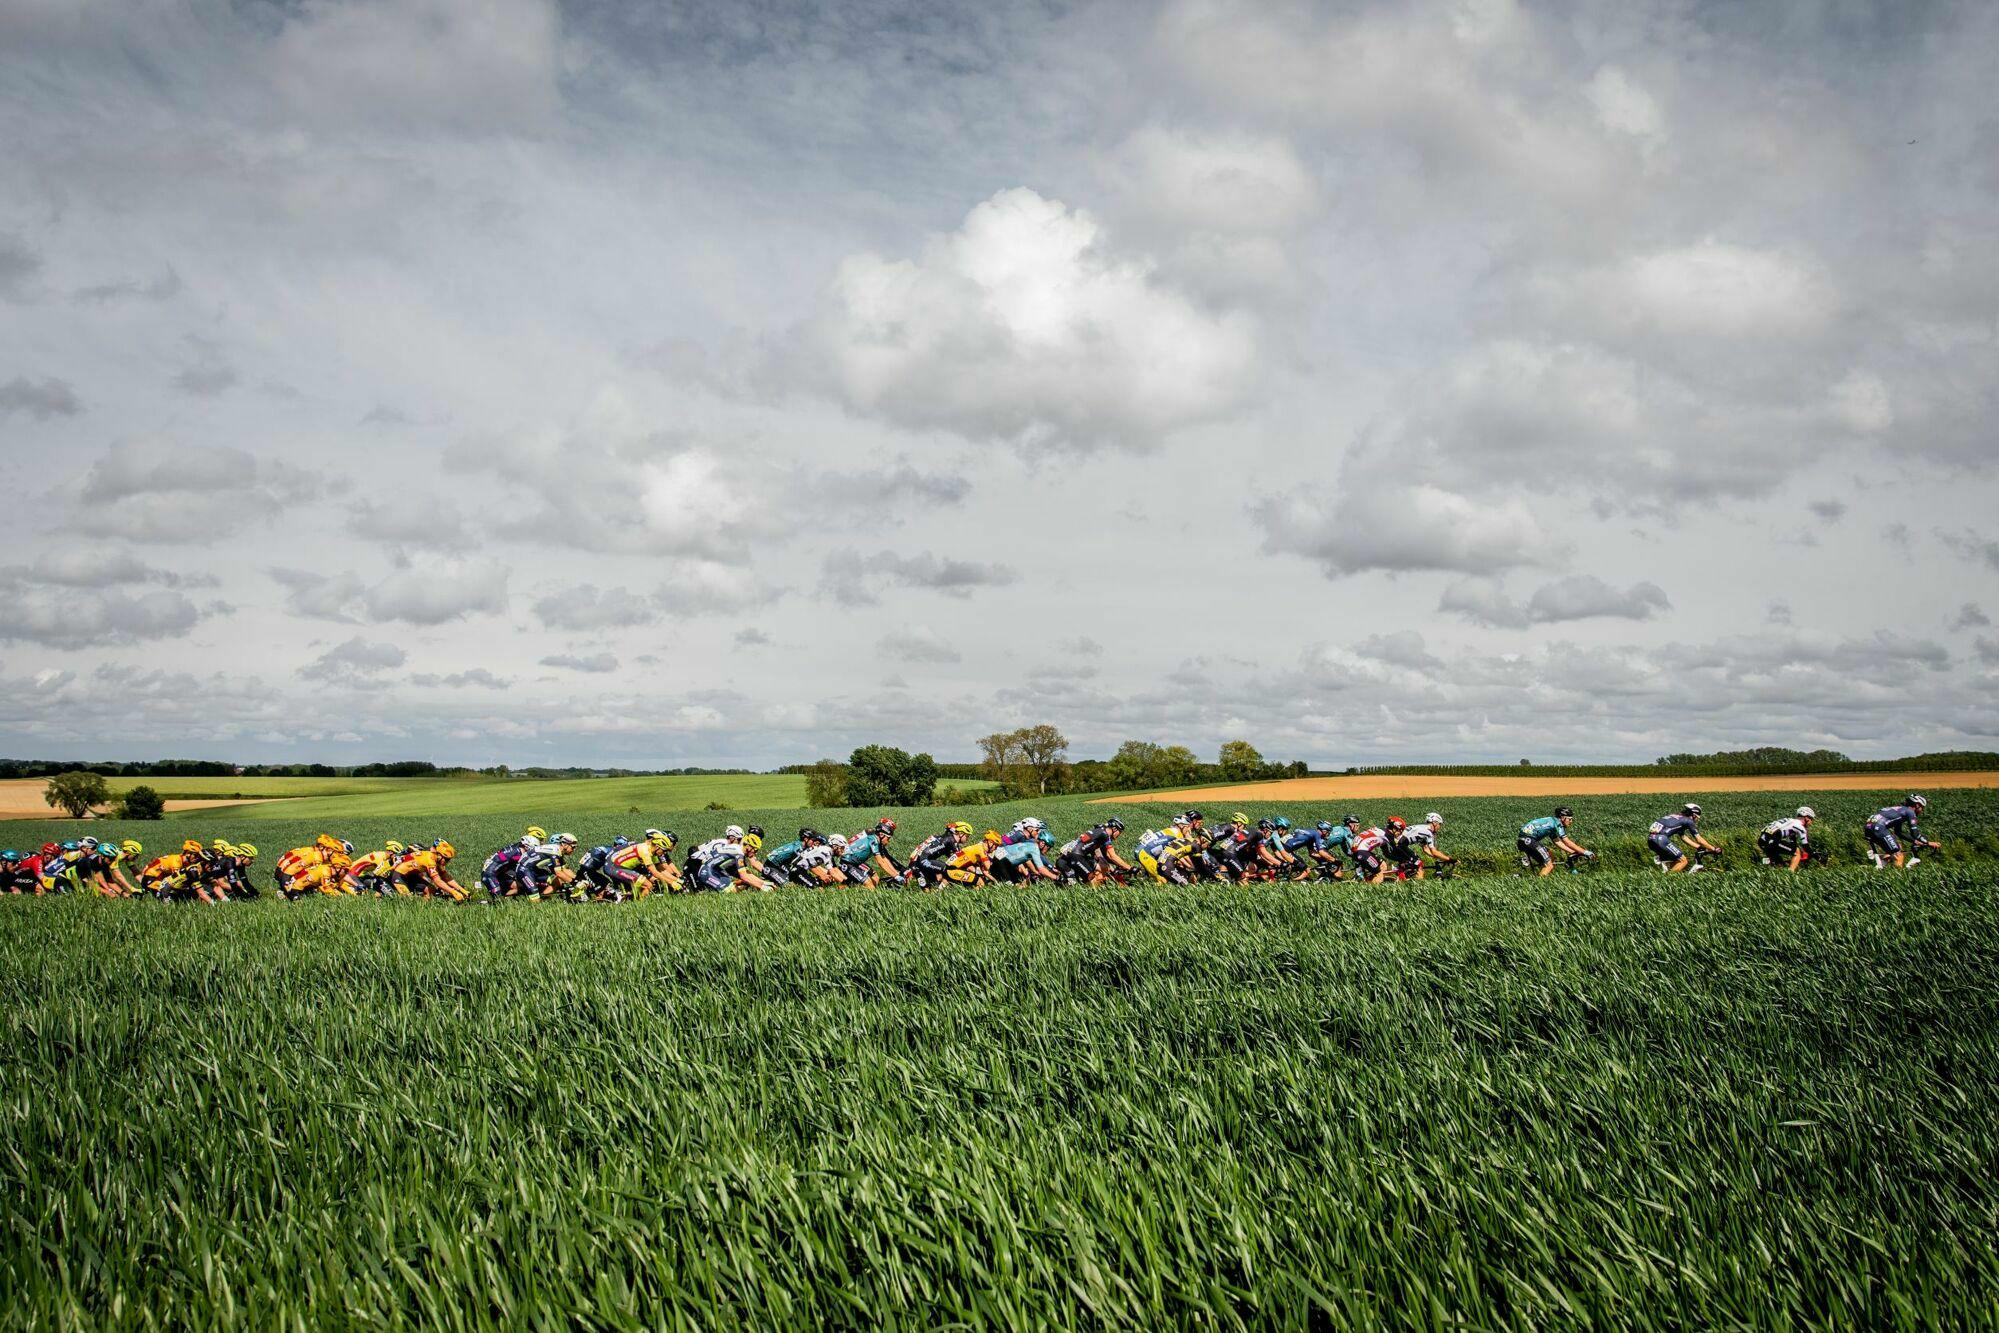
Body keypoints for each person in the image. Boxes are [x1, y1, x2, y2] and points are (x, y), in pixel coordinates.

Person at [1864, 795, 1938, 869]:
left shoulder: (1900, 810)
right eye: (1922, 807)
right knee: (1898, 856)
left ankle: (1880, 866)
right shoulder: (1910, 812)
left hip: (1870, 827)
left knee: (1897, 847)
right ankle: (1898, 878)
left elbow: (1898, 832)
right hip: (1879, 827)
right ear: (1917, 805)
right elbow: (1915, 834)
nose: (1922, 810)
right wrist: (1928, 843)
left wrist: (1915, 841)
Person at [1647, 803, 1720, 873]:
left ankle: (1670, 881)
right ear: (1694, 815)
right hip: (1661, 839)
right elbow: (1699, 839)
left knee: (1676, 862)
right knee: (1683, 861)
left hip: (1651, 839)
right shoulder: (1688, 821)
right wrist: (1714, 849)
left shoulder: (1678, 817)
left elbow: (1683, 837)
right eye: (1697, 817)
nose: (1697, 820)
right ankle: (1666, 881)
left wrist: (1699, 847)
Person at [1519, 807, 1592, 876]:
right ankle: (1538, 884)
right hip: (1529, 840)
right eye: (1569, 819)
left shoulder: (1552, 822)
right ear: (1563, 818)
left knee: (1551, 857)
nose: (1571, 821)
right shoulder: (1557, 823)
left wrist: (1572, 852)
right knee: (1549, 866)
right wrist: (1585, 852)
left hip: (1524, 840)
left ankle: (1543, 874)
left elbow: (1557, 842)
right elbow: (1567, 842)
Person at [1059, 817, 1132, 884]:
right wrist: (1130, 868)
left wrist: (1112, 870)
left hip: (1071, 855)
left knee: (1103, 867)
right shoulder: (1105, 835)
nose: (1119, 834)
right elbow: (1112, 856)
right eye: (1120, 832)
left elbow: (1099, 854)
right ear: (1115, 829)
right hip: (1076, 855)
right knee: (1092, 879)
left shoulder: (1100, 831)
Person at [394, 839, 470, 901]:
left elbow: (446, 877)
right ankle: (416, 908)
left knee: (431, 890)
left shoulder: (436, 859)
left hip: (411, 876)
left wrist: (461, 889)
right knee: (408, 900)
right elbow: (437, 881)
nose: (447, 862)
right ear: (439, 855)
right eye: (446, 860)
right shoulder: (430, 860)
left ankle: (422, 908)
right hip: (399, 875)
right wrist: (453, 892)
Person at [905, 822, 973, 889]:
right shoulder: (952, 841)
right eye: (967, 836)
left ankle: (936, 888)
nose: (967, 839)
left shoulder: (944, 837)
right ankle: (939, 891)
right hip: (924, 861)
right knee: (949, 870)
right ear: (961, 834)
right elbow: (960, 860)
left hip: (917, 861)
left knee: (933, 883)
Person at [697, 832, 771, 893]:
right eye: (755, 850)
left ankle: (707, 891)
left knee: (744, 884)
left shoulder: (737, 849)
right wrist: (763, 887)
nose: (756, 853)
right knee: (730, 892)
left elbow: (747, 873)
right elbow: (744, 876)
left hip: (716, 871)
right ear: (748, 847)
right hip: (707, 872)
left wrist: (763, 883)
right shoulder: (738, 853)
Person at [1391, 812, 1456, 879]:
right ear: (1435, 823)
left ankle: (1401, 877)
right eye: (1439, 824)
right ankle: (1419, 885)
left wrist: (1440, 858)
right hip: (1399, 845)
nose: (1439, 827)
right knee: (1419, 864)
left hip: (1396, 845)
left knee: (1411, 865)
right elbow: (1434, 852)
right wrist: (1450, 859)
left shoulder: (1422, 828)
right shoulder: (1428, 832)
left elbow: (1426, 849)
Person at [839, 820, 901, 887]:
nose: (888, 842)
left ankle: (848, 885)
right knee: (869, 884)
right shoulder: (873, 840)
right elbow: (880, 862)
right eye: (888, 838)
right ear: (881, 835)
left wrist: (896, 874)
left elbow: (884, 859)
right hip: (848, 862)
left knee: (875, 878)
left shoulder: (878, 842)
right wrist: (895, 876)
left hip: (857, 862)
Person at [1757, 807, 1816, 871]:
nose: (1811, 822)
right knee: (1797, 853)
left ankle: (1759, 863)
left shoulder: (1790, 821)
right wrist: (1816, 856)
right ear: (1806, 818)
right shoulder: (1800, 827)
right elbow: (1805, 846)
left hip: (1762, 840)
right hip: (1771, 840)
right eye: (1811, 819)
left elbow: (1793, 842)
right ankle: (1790, 873)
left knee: (1778, 864)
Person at [992, 827, 1059, 883]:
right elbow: (1041, 869)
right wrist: (1057, 878)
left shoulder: (1031, 843)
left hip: (1001, 859)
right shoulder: (1034, 849)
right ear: (1042, 843)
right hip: (1001, 861)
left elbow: (1027, 861)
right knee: (1011, 887)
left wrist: (1035, 872)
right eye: (1048, 847)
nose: (1048, 850)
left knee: (1019, 879)